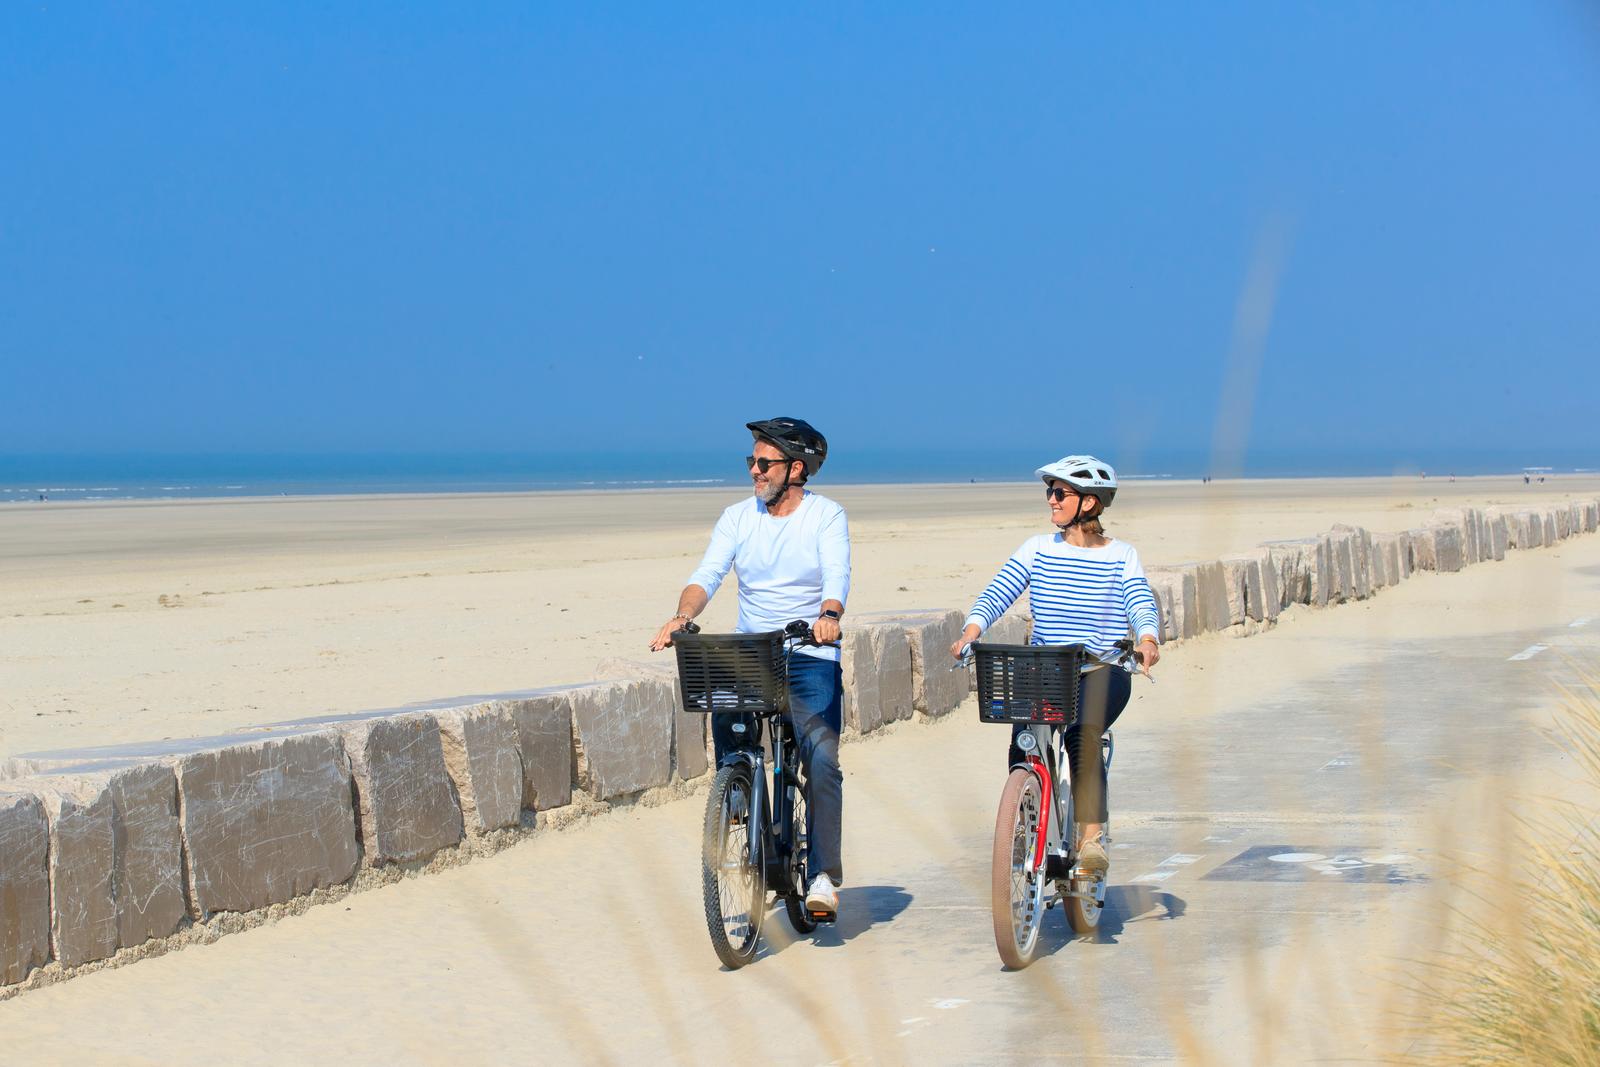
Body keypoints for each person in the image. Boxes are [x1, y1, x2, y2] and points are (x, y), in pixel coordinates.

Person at [650, 417, 851, 918]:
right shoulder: (738, 517)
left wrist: (829, 615)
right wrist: (683, 614)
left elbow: (837, 572)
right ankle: (736, 789)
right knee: (724, 709)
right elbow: (708, 573)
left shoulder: (826, 516)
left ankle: (823, 874)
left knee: (821, 757)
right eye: (751, 462)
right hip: (755, 652)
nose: (755, 471)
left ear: (796, 469)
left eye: (764, 463)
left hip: (808, 652)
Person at [949, 454, 1159, 874]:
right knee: (1024, 742)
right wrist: (972, 630)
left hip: (1104, 668)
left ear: (1089, 503)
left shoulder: (1121, 556)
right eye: (1050, 492)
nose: (1050, 501)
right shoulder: (1038, 549)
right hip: (1048, 669)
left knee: (1083, 734)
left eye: (1059, 493)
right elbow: (999, 592)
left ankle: (1091, 838)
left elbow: (1139, 600)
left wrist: (1148, 637)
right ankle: (1024, 818)